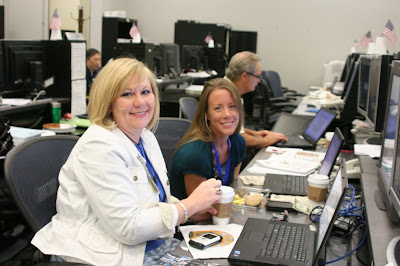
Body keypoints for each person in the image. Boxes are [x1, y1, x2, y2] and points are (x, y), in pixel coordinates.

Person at [31, 58, 223, 266]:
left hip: (146, 246)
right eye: (127, 94)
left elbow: (149, 202)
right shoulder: (98, 146)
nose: (140, 102)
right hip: (102, 256)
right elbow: (128, 228)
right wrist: (188, 206)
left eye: (146, 92)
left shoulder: (145, 137)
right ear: (108, 102)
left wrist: (190, 211)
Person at [169, 78, 246, 207]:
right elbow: (200, 209)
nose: (227, 114)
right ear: (207, 114)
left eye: (232, 106)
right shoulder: (194, 154)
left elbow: (230, 188)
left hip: (219, 213)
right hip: (190, 221)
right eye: (218, 108)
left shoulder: (238, 143)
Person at [225, 51, 288, 150]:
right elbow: (238, 139)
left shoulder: (229, 90)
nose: (259, 80)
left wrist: (254, 134)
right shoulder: (226, 97)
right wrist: (268, 140)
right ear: (244, 76)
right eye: (257, 76)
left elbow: (233, 130)